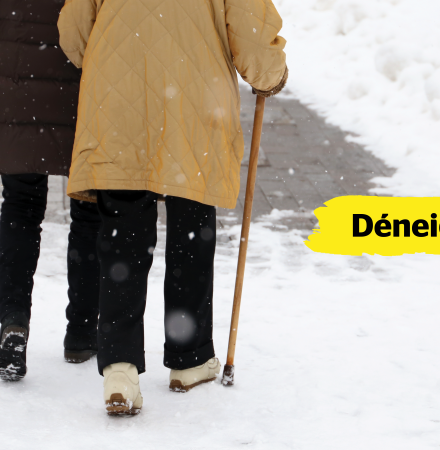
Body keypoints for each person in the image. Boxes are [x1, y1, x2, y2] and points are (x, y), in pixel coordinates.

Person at [58, 0, 288, 415]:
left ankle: (121, 369)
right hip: (196, 100)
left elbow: (73, 30)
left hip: (117, 102)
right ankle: (190, 357)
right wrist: (271, 76)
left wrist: (113, 59)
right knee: (192, 228)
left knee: (122, 236)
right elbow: (252, 33)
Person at [0, 0, 102, 381]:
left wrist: (3, 27)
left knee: (21, 207)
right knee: (89, 209)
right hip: (82, 76)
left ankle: (14, 323)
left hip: (19, 78)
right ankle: (82, 333)